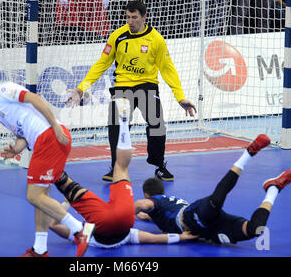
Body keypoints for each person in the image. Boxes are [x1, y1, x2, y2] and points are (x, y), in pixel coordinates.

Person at [66, 0, 197, 183]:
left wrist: (180, 97)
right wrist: (81, 89)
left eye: (134, 17)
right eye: (128, 17)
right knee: (116, 125)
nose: (130, 21)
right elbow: (101, 64)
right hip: (123, 87)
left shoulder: (156, 39)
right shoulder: (117, 37)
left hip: (147, 85)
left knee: (157, 123)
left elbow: (168, 69)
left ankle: (159, 165)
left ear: (144, 17)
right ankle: (116, 167)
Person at [0, 74, 95, 257]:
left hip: (50, 137)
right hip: (41, 142)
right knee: (41, 198)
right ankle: (40, 250)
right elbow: (23, 135)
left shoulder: (3, 91)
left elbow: (34, 99)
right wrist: (16, 150)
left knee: (33, 196)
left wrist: (55, 127)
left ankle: (79, 229)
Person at [49, 98, 197, 248]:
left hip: (123, 220)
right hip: (104, 221)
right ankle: (124, 122)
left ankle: (124, 123)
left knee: (121, 167)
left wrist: (180, 237)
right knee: (68, 185)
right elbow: (53, 225)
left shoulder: (122, 235)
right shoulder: (86, 233)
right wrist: (67, 201)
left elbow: (154, 238)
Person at [135, 133, 291, 245]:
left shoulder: (154, 202)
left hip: (193, 217)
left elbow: (140, 205)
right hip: (209, 230)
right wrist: (140, 216)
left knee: (216, 201)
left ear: (147, 195)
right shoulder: (160, 210)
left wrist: (120, 216)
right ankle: (273, 189)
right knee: (254, 230)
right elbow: (146, 214)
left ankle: (248, 153)